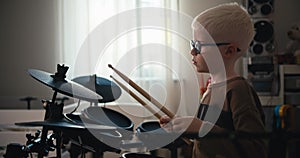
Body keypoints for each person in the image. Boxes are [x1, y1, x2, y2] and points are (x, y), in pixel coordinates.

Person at [160, 3, 267, 158]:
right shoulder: (212, 86)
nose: (192, 51)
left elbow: (256, 149)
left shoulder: (238, 90)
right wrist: (182, 127)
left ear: (229, 50)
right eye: (193, 43)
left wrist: (202, 128)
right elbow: (211, 142)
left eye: (199, 45)